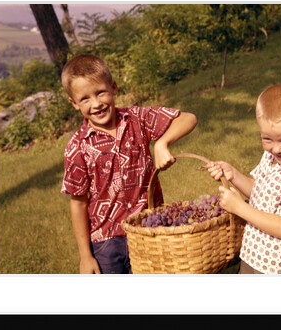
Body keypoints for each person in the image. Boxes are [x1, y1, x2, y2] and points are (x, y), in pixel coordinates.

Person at [60, 54, 198, 274]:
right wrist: (86, 256)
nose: (96, 104)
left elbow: (188, 118)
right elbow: (78, 203)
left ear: (113, 87)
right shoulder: (77, 147)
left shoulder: (137, 119)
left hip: (149, 229)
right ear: (74, 103)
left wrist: (161, 143)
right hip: (106, 243)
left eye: (100, 92)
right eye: (85, 98)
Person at [206, 84, 281, 274]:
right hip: (251, 253)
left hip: (277, 266)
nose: (276, 148)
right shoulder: (272, 155)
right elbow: (260, 191)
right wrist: (233, 175)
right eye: (267, 139)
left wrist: (240, 208)